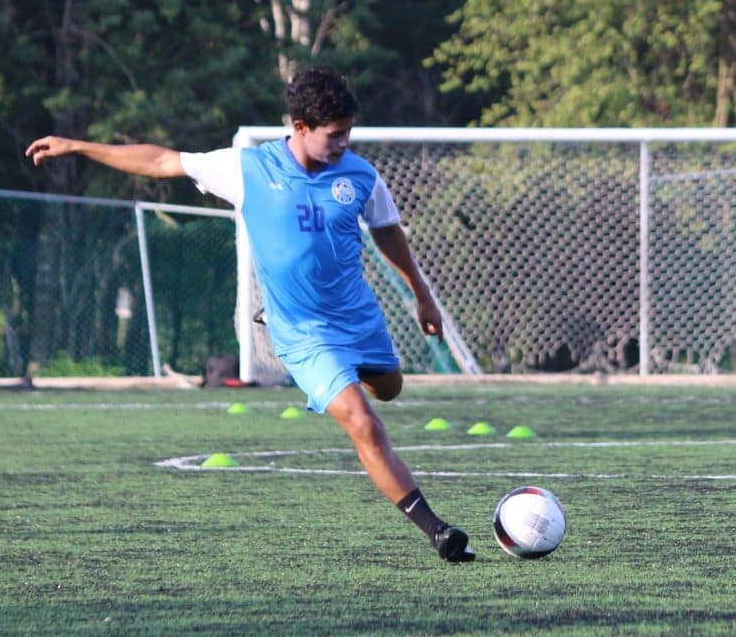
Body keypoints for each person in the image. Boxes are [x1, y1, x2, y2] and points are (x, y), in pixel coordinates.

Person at [26, 66, 474, 563]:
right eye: (334, 134)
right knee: (364, 423)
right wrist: (80, 146)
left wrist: (422, 294)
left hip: (357, 315)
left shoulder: (361, 176)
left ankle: (349, 368)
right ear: (299, 126)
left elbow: (388, 231)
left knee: (390, 388)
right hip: (301, 331)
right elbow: (160, 160)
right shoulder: (247, 169)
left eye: (348, 132)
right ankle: (436, 530)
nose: (344, 143)